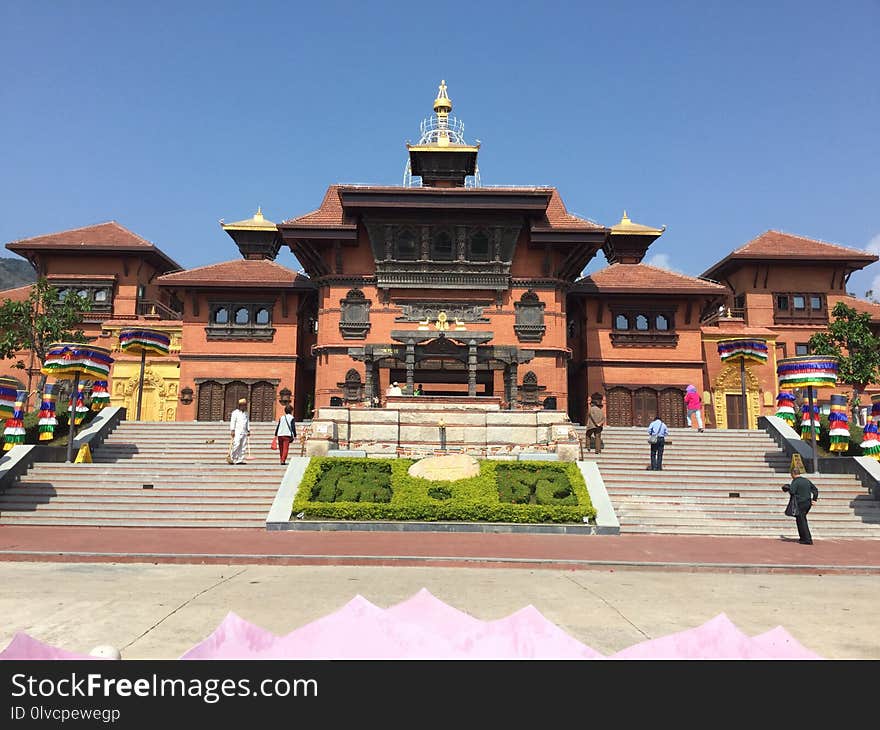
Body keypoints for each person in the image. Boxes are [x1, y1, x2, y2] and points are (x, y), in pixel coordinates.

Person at [782, 466, 819, 544]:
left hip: (800, 503)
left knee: (802, 521)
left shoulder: (795, 481)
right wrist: (814, 499)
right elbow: (815, 490)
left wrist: (787, 488)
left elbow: (792, 491)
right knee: (800, 520)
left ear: (793, 474)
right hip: (808, 503)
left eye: (791, 474)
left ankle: (807, 539)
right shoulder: (806, 480)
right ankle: (802, 538)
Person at [228, 398, 250, 465]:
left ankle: (240, 459)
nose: (244, 407)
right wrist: (232, 430)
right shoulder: (235, 413)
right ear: (239, 406)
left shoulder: (246, 413)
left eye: (245, 405)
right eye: (242, 405)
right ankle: (233, 458)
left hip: (244, 431)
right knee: (236, 444)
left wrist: (248, 430)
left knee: (243, 446)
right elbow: (233, 422)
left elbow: (247, 422)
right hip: (237, 431)